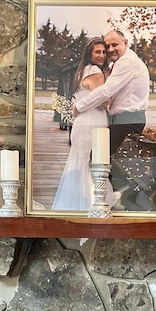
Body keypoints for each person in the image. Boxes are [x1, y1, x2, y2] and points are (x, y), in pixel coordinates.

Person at [51, 38, 111, 211]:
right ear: (89, 54)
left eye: (103, 52)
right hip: (92, 125)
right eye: (97, 52)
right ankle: (90, 207)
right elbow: (103, 102)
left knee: (81, 166)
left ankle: (77, 206)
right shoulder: (95, 72)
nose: (101, 55)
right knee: (93, 166)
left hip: (82, 124)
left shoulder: (83, 71)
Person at [72, 29, 150, 159]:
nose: (110, 49)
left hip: (127, 121)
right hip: (123, 120)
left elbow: (106, 91)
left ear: (125, 43)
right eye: (107, 46)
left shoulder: (127, 62)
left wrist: (79, 106)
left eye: (115, 44)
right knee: (102, 160)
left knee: (97, 158)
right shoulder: (121, 62)